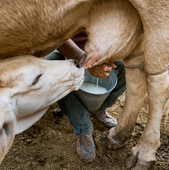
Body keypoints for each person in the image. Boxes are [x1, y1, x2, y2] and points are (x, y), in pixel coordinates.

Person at [46, 32, 126, 162]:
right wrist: (85, 60)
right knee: (55, 73)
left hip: (100, 45)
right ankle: (83, 129)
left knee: (123, 67)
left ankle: (100, 108)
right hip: (69, 47)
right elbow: (54, 35)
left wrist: (107, 52)